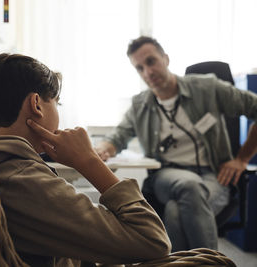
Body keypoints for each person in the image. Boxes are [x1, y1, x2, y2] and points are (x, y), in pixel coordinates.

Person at [0, 53, 171, 266]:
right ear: (36, 104)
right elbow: (153, 240)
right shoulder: (24, 180)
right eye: (56, 103)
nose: (57, 113)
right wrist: (90, 161)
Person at [96, 36, 257, 252]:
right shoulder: (140, 104)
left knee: (175, 211)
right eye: (140, 68)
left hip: (214, 176)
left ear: (166, 58)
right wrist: (103, 149)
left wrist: (242, 159)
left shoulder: (207, 88)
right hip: (167, 176)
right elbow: (118, 136)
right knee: (189, 185)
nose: (148, 72)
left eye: (151, 62)